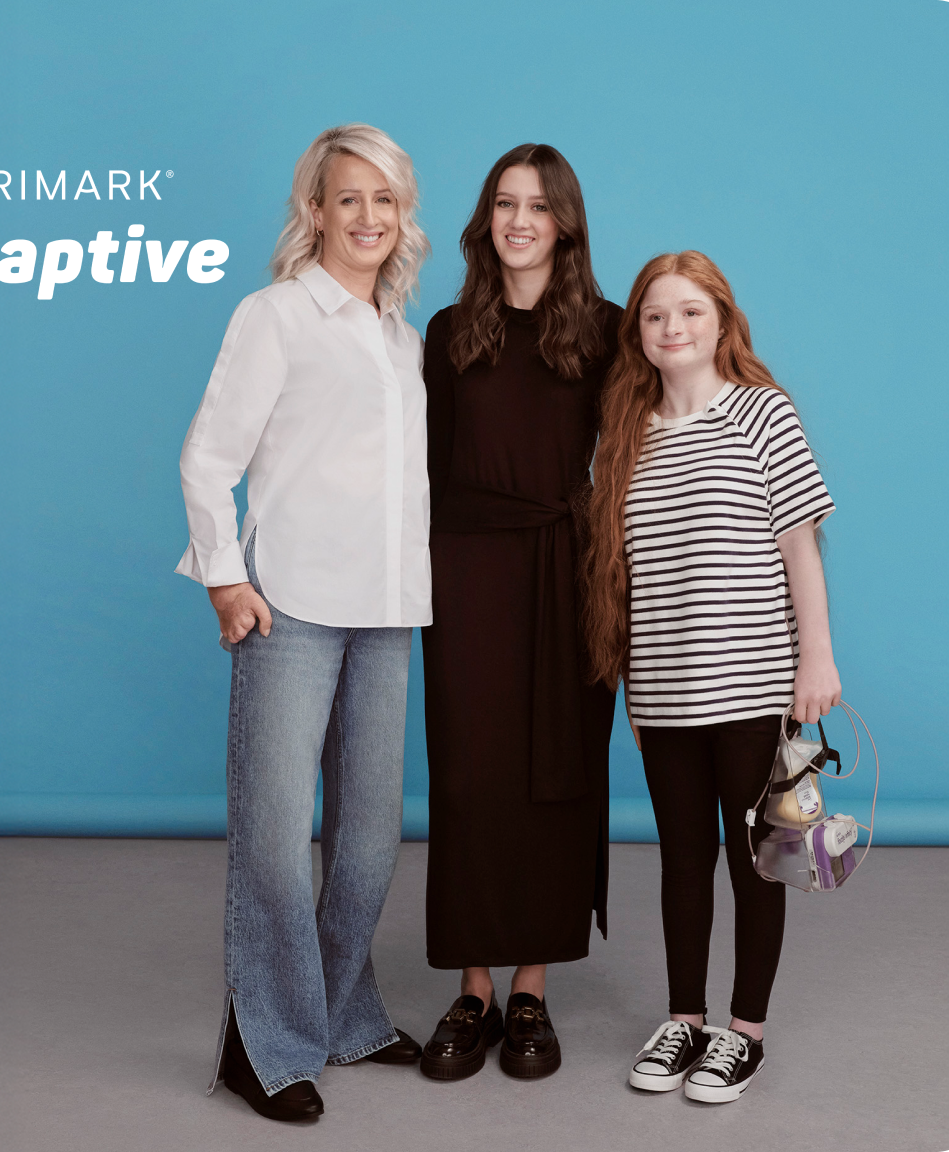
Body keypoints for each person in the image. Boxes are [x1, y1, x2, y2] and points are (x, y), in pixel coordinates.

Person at [175, 123, 431, 1122]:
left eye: (386, 200)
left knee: (368, 841)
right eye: (348, 198)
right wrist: (226, 581)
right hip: (287, 613)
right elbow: (207, 460)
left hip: (389, 614)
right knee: (277, 842)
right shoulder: (274, 315)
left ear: (402, 216)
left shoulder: (406, 339)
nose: (368, 217)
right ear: (315, 211)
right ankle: (264, 1045)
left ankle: (336, 1015)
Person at [583, 251, 840, 1103]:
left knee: (754, 859)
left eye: (690, 312)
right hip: (663, 691)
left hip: (754, 684)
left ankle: (744, 1032)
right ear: (640, 334)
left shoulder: (763, 415)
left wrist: (817, 657)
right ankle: (684, 1020)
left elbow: (799, 545)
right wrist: (627, 684)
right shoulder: (627, 432)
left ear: (721, 322)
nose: (673, 328)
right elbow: (628, 571)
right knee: (681, 859)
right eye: (656, 316)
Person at [419, 144, 620, 1082]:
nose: (520, 220)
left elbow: (634, 466)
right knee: (468, 774)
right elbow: (426, 474)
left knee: (558, 774)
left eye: (538, 206)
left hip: (569, 573)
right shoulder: (449, 330)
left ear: (565, 222)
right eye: (505, 203)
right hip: (464, 572)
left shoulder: (611, 333)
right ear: (485, 219)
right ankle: (475, 990)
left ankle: (532, 990)